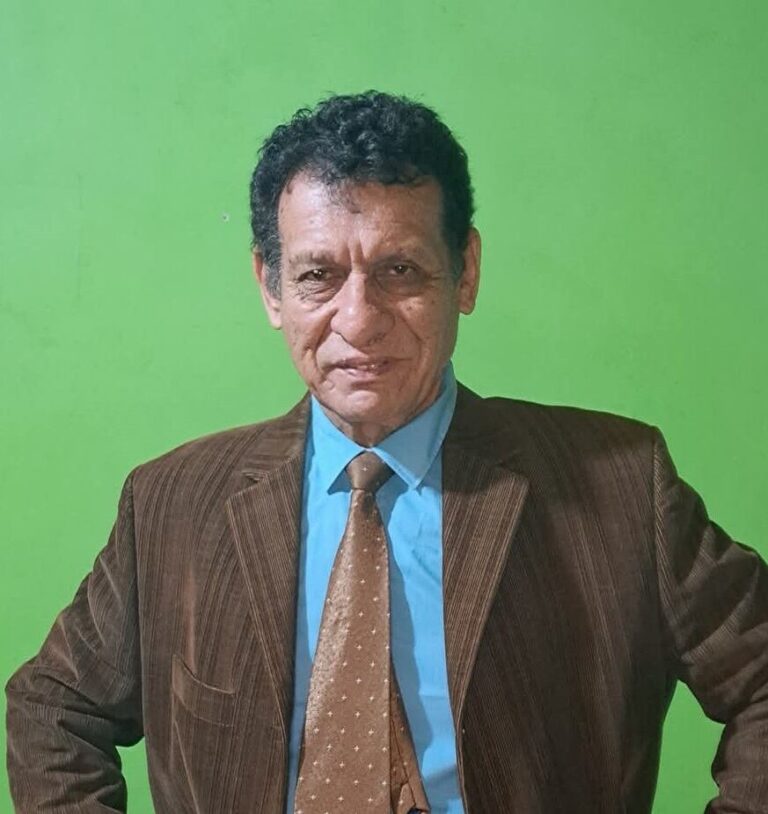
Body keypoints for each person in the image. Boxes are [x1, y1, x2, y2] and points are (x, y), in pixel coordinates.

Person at [6, 91, 768, 814]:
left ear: (465, 271)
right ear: (270, 287)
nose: (359, 320)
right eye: (318, 276)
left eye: (399, 271)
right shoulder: (170, 502)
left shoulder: (619, 483)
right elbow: (51, 710)